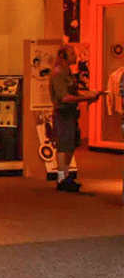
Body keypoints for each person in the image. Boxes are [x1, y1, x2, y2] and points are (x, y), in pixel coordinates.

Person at [49, 44, 104, 192]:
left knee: (71, 145)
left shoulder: (68, 73)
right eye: (72, 54)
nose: (75, 56)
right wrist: (84, 99)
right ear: (64, 57)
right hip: (63, 114)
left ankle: (66, 176)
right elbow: (64, 98)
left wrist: (88, 94)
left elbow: (73, 93)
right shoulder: (58, 74)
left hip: (72, 114)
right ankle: (61, 178)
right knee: (63, 146)